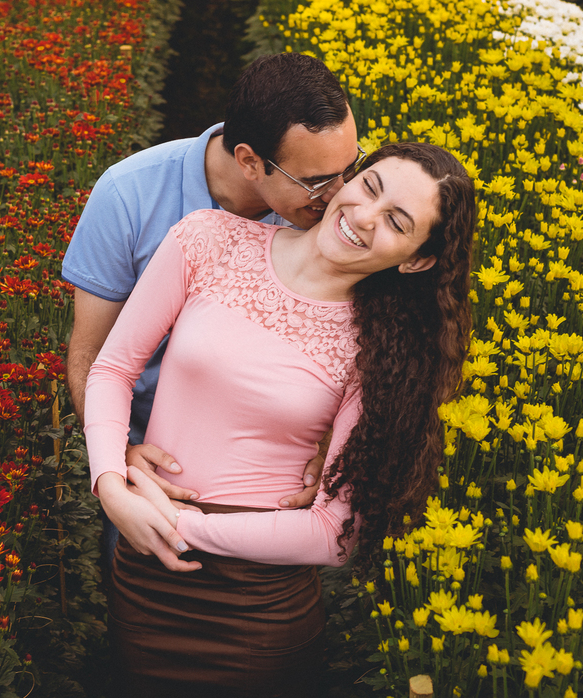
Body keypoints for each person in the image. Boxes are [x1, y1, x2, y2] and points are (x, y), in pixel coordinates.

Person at [83, 142, 477, 696]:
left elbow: (333, 534)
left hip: (254, 607)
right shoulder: (208, 238)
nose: (366, 216)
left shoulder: (383, 353)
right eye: (369, 187)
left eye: (397, 221)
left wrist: (178, 526)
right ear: (348, 179)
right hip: (143, 575)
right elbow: (113, 369)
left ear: (417, 260)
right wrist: (109, 485)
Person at [63, 53, 364, 514]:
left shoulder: (342, 216)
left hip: (275, 471)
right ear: (249, 161)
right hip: (151, 456)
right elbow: (92, 355)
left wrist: (328, 450)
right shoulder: (129, 194)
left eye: (351, 167)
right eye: (317, 181)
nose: (341, 193)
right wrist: (120, 458)